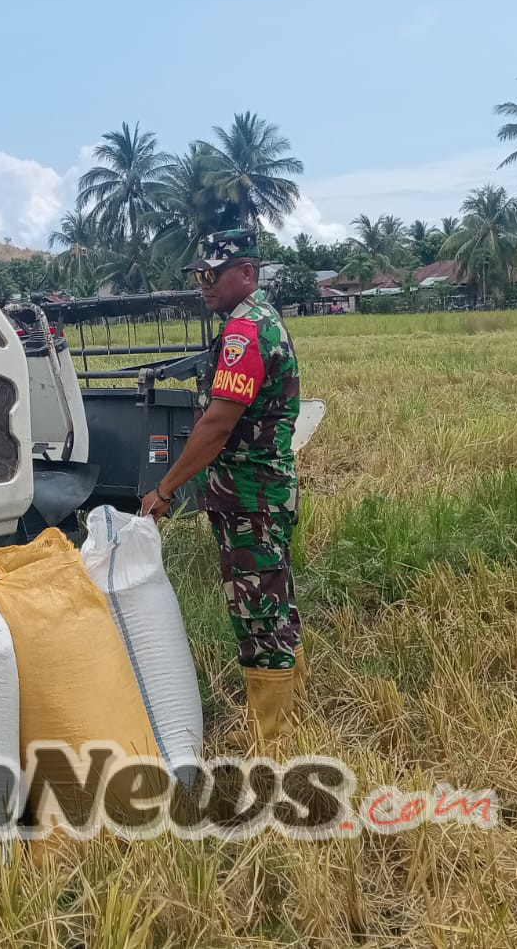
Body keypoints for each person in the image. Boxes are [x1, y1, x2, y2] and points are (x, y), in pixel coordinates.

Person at [138, 229, 305, 749]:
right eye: (199, 275)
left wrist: (166, 489)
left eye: (213, 274)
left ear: (246, 273)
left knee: (256, 610)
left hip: (250, 495)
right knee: (275, 598)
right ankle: (290, 713)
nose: (203, 284)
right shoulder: (258, 321)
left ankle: (271, 737)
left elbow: (216, 424)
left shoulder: (244, 333)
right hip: (263, 490)